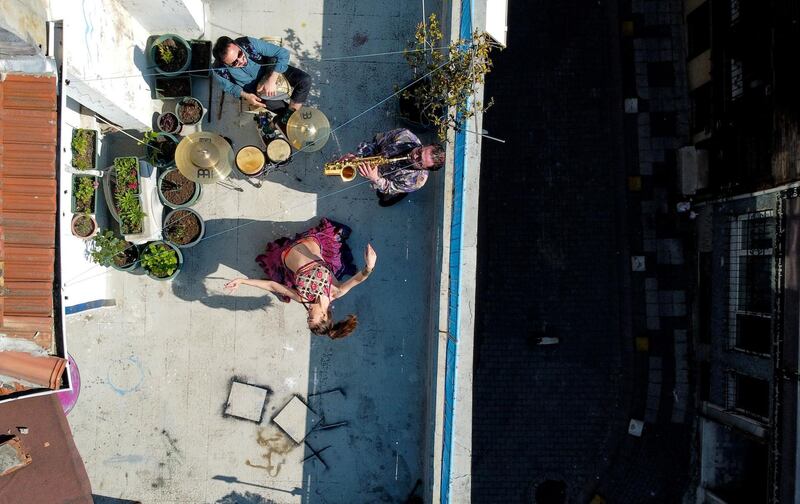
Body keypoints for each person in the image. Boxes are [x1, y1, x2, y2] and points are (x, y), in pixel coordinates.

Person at [224, 218, 376, 339]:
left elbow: (272, 286)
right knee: (335, 242)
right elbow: (358, 279)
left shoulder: (302, 298)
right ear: (324, 315)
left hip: (286, 252)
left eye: (307, 318)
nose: (308, 313)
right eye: (311, 317)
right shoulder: (334, 292)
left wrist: (243, 281)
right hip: (312, 241)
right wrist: (369, 266)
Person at [212, 35, 311, 119]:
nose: (241, 60)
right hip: (256, 90)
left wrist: (271, 80)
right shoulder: (218, 70)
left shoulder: (247, 43)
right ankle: (289, 119)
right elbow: (230, 87)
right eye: (234, 62)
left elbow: (282, 53)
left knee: (304, 80)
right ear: (225, 63)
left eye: (239, 53)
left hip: (271, 70)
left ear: (236, 44)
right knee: (282, 112)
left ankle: (291, 114)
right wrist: (247, 96)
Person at [344, 128, 446, 207]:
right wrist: (358, 156)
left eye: (419, 162)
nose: (414, 156)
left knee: (384, 196)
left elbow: (389, 187)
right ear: (425, 145)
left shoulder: (416, 181)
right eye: (419, 152)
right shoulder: (403, 135)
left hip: (391, 182)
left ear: (425, 169)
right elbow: (375, 144)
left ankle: (399, 194)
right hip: (379, 169)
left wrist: (375, 179)